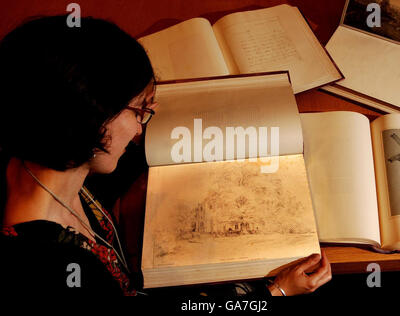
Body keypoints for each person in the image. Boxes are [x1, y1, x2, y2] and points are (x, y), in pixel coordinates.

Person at [0, 15, 331, 296]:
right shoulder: (50, 269)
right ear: (88, 121)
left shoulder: (44, 160)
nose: (144, 121)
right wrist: (276, 293)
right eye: (140, 110)